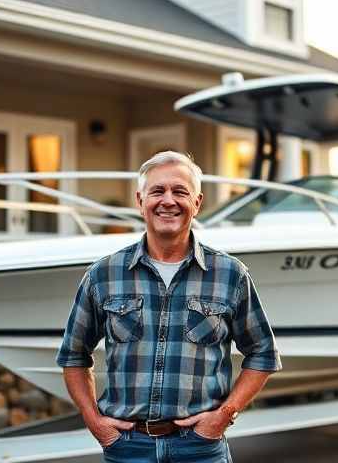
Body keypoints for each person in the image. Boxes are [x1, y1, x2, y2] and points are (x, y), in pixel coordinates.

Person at [56, 151, 281, 462]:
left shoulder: (230, 275)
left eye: (180, 191)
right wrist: (95, 422)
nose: (168, 201)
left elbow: (263, 354)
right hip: (127, 448)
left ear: (198, 202)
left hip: (200, 448)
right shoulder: (103, 275)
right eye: (158, 191)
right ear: (140, 200)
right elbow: (73, 356)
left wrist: (224, 415)